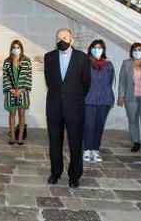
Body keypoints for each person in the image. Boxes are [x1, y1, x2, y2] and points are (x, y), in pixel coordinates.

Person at [44, 28, 90, 187]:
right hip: (54, 107)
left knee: (75, 143)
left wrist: (73, 97)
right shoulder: (49, 57)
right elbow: (49, 81)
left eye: (64, 37)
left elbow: (86, 84)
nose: (61, 40)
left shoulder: (82, 58)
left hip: (74, 108)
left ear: (72, 40)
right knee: (54, 142)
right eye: (58, 38)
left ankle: (74, 175)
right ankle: (55, 172)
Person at [83, 39, 115, 163]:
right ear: (90, 49)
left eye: (100, 47)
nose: (97, 50)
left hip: (104, 100)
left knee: (99, 126)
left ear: (103, 50)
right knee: (89, 125)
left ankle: (95, 150)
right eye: (95, 47)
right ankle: (87, 149)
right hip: (89, 99)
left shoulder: (108, 65)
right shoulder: (85, 63)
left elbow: (109, 81)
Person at [2, 40, 32, 145]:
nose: (16, 49)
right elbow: (5, 77)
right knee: (12, 115)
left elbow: (28, 77)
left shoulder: (27, 61)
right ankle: (12, 137)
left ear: (21, 48)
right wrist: (11, 90)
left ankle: (20, 138)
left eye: (18, 47)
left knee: (22, 115)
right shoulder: (7, 61)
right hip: (11, 94)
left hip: (22, 94)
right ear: (11, 49)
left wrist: (21, 90)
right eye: (14, 47)